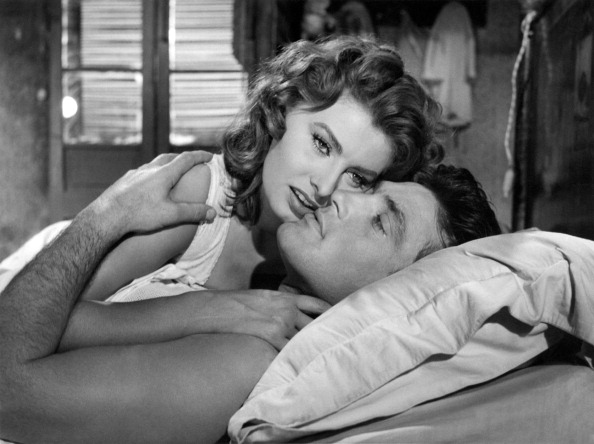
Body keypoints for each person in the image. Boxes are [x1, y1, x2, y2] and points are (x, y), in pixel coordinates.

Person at [0, 155, 499, 444]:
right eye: (367, 187)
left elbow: (8, 393)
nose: (340, 195)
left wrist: (107, 213)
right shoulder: (259, 305)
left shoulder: (251, 360)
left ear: (396, 293)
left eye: (381, 222)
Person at [77, 35, 445, 304]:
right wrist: (212, 311)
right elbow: (54, 316)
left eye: (357, 177)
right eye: (322, 144)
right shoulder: (197, 193)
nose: (325, 186)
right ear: (280, 111)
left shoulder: (321, 270)